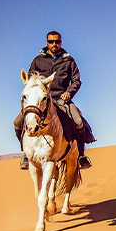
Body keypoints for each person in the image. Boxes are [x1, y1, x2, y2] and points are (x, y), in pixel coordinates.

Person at [14, 31, 94, 170]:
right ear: (46, 43)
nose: (54, 44)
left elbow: (76, 80)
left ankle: (81, 156)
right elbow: (30, 81)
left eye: (57, 42)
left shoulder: (69, 61)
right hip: (42, 100)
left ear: (61, 42)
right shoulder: (38, 60)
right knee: (17, 122)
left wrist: (69, 92)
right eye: (51, 42)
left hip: (62, 99)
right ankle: (26, 154)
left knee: (78, 121)